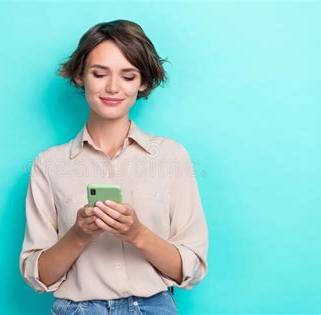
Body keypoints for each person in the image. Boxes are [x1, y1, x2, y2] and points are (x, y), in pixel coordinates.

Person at [19, 19, 209, 315]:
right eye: (99, 73)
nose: (112, 87)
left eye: (128, 76)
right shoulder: (48, 165)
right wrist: (80, 233)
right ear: (80, 76)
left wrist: (136, 234)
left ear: (143, 82)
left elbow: (192, 270)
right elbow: (38, 275)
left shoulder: (172, 157)